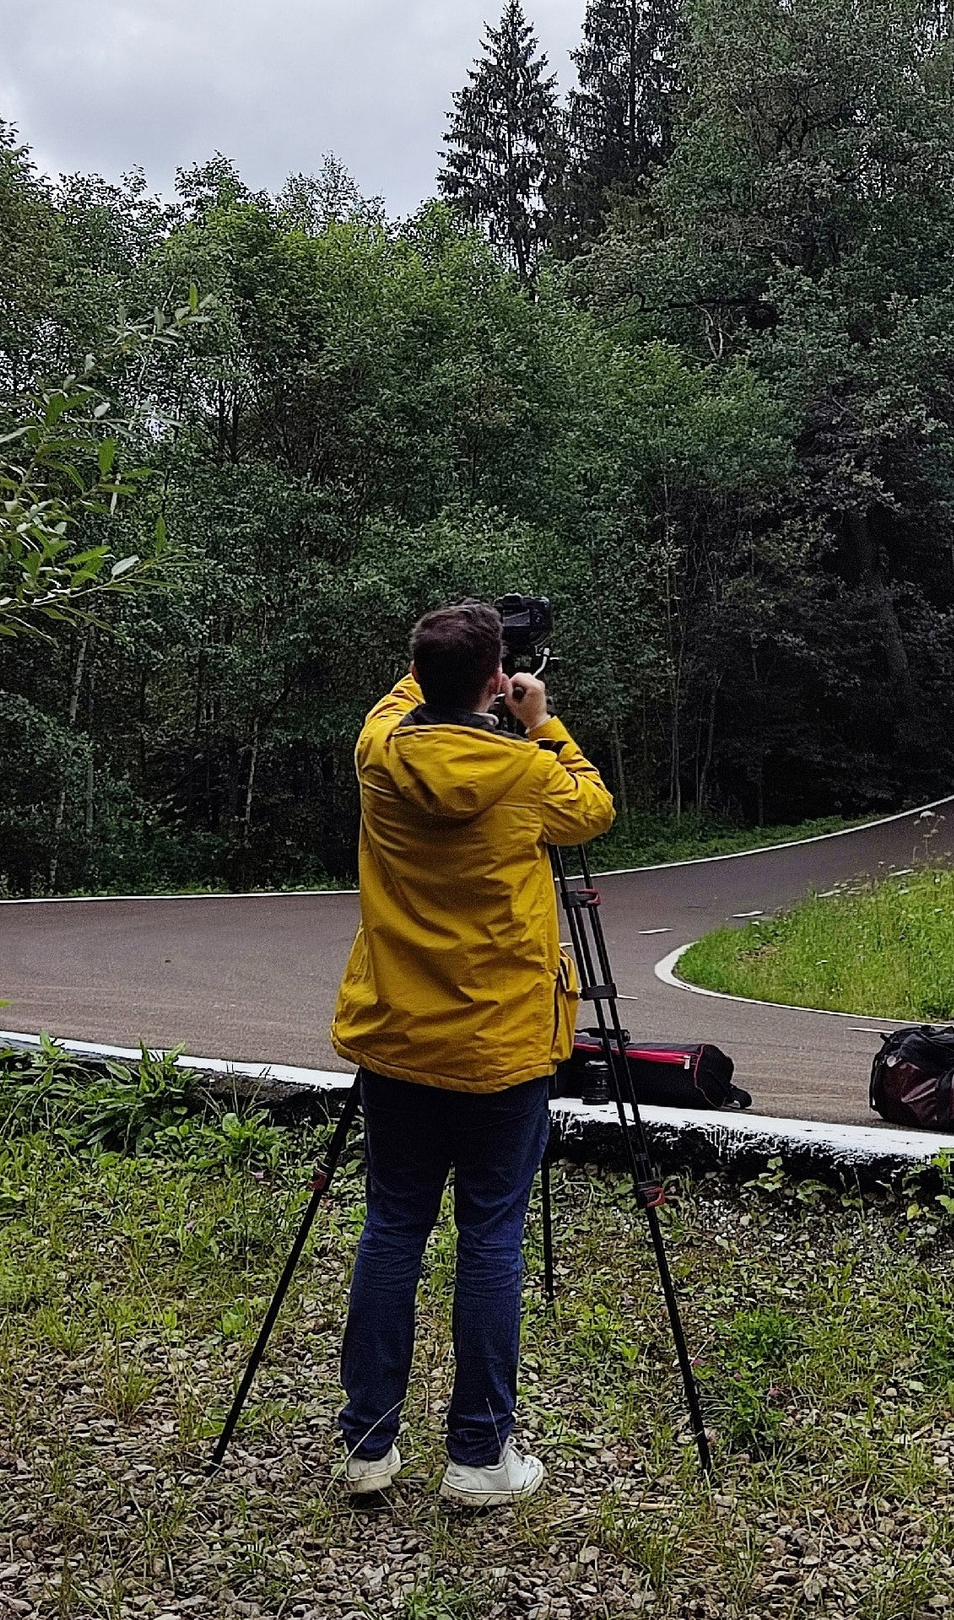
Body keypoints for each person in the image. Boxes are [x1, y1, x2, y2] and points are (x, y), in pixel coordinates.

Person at [330, 599, 614, 1505]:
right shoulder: (530, 772)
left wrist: (460, 667)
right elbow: (596, 808)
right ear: (495, 683)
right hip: (501, 1048)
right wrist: (540, 717)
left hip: (399, 1039)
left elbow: (403, 695)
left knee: (393, 1226)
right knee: (491, 1236)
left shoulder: (381, 751)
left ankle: (368, 1446)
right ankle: (481, 1457)